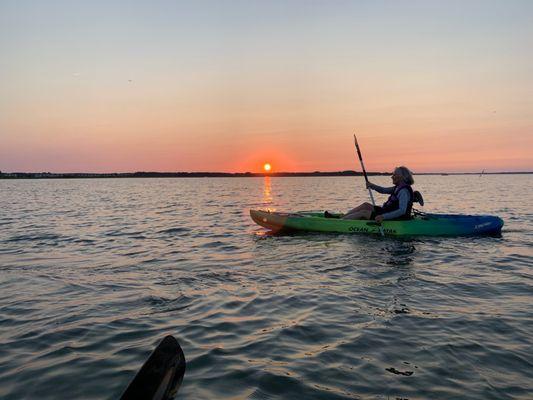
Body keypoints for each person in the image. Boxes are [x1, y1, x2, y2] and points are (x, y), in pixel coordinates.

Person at [337, 166, 415, 222]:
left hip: (397, 217)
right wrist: (371, 185)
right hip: (386, 211)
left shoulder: (403, 191)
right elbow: (383, 190)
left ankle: (340, 222)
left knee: (364, 213)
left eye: (394, 175)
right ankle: (343, 217)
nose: (392, 177)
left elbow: (402, 211)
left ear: (401, 177)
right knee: (365, 205)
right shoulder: (397, 187)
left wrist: (383, 217)